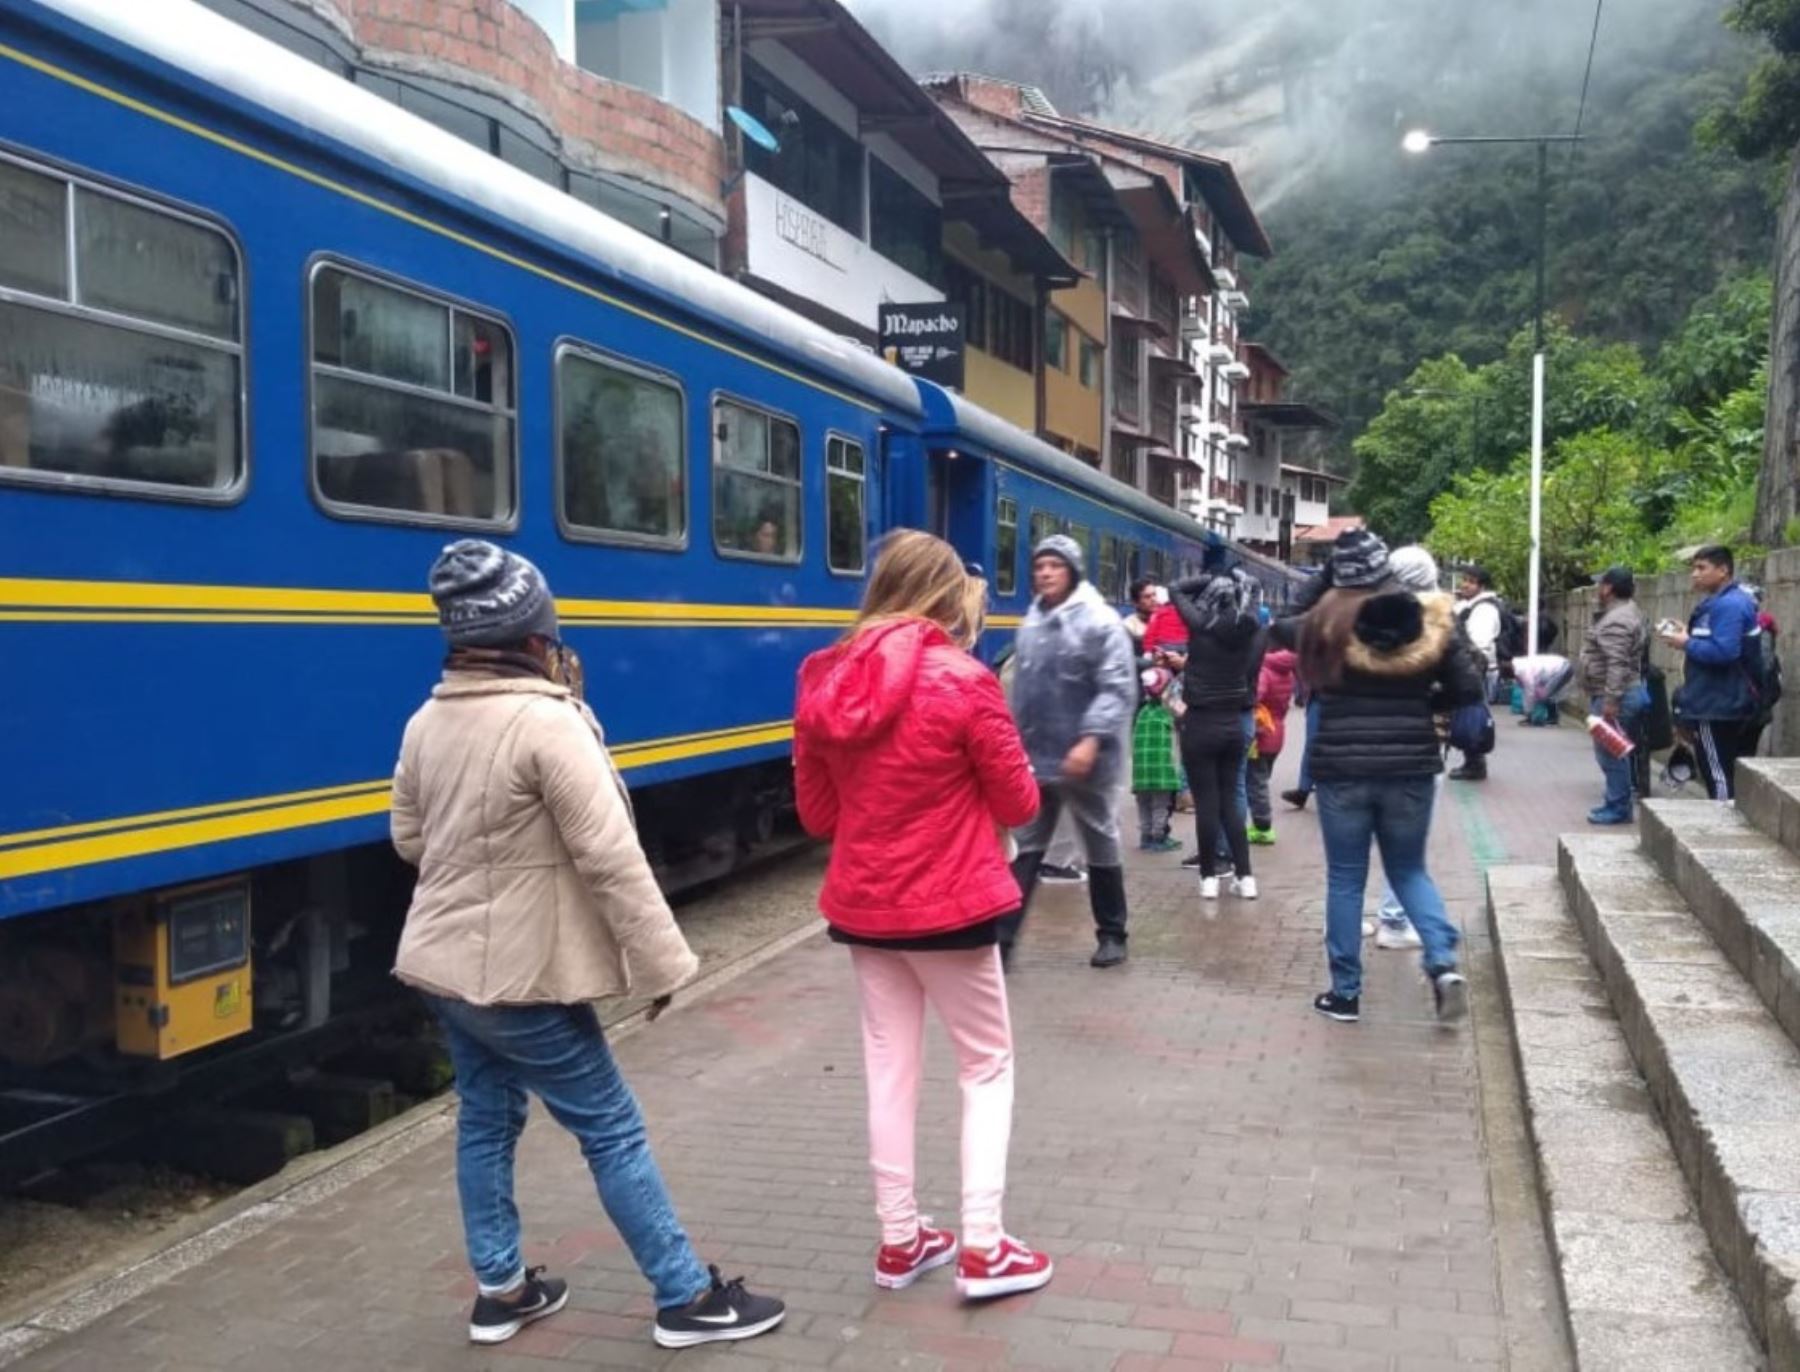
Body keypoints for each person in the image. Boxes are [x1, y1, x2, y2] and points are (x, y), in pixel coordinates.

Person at [390, 540, 785, 1350]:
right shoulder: (548, 723)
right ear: (535, 637)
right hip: (521, 978)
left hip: (442, 964)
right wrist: (662, 965)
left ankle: (502, 1290)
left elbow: (408, 839)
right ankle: (684, 1298)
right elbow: (611, 856)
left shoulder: (428, 719)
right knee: (611, 1127)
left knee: (487, 1121)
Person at [794, 530, 1053, 1303]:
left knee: (889, 1067)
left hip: (866, 907)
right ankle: (983, 1246)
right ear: (946, 597)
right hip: (953, 906)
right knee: (986, 1065)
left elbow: (816, 814)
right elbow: (1020, 803)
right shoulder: (965, 680)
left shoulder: (821, 679)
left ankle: (901, 1239)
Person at [1274, 529, 1484, 1024]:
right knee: (1408, 869)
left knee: (1346, 879)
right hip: (1411, 764)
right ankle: (1441, 960)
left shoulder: (1324, 622)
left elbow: (1278, 624)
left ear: (1340, 575)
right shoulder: (1431, 621)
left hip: (1342, 768)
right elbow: (1470, 688)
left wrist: (1325, 576)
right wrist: (1424, 702)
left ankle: (1345, 993)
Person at [1003, 535, 1138, 969]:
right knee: (1026, 843)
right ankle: (1002, 939)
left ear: (1072, 571)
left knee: (1099, 839)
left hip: (1088, 758)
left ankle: (1113, 933)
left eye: (1054, 566)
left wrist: (1090, 738)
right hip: (1038, 754)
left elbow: (1116, 687)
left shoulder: (1099, 621)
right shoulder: (1032, 623)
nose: (1045, 573)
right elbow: (1022, 691)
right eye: (1039, 565)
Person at [1170, 565, 1264, 900]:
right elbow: (1253, 589)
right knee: (1231, 805)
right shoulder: (1249, 625)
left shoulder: (1200, 625)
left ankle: (1209, 878)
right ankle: (1246, 877)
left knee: (1207, 804)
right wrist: (1239, 582)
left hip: (1200, 725)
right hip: (1232, 727)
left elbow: (1176, 587)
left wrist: (1210, 579)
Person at [1660, 545, 1765, 801]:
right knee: (1727, 770)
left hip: (1717, 704)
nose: (1694, 574)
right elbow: (1720, 641)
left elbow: (1725, 652)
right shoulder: (1725, 602)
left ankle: (1723, 827)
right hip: (1725, 701)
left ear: (1723, 570)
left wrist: (1685, 643)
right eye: (1693, 568)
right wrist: (1688, 633)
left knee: (1717, 772)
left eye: (1701, 568)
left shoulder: (1728, 605)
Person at [1577, 566, 1649, 824]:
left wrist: (1610, 701)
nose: (1598, 590)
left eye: (1600, 585)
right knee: (1616, 751)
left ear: (1608, 588)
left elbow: (1616, 663)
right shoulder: (1626, 613)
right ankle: (1616, 803)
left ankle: (1618, 807)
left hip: (1616, 696)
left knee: (1611, 753)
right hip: (1623, 693)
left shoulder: (1617, 619)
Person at [1450, 565, 1504, 779]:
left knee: (1472, 715)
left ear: (1482, 586)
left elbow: (1479, 643)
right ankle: (1471, 761)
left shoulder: (1484, 609)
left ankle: (1475, 763)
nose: (1465, 584)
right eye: (1464, 579)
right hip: (1469, 667)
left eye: (1471, 581)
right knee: (1468, 713)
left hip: (1474, 668)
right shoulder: (1468, 606)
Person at [1247, 637, 1298, 845]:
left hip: (1261, 734)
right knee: (1261, 779)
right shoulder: (1287, 670)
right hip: (1277, 732)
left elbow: (1255, 696)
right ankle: (1260, 822)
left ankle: (1262, 827)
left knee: (1256, 783)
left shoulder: (1263, 670)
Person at [1133, 666, 1183, 852]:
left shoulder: (1142, 711)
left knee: (1144, 804)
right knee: (1160, 805)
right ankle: (1158, 838)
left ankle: (1145, 837)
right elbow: (1186, 714)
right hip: (1162, 768)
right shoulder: (1168, 708)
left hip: (1140, 770)